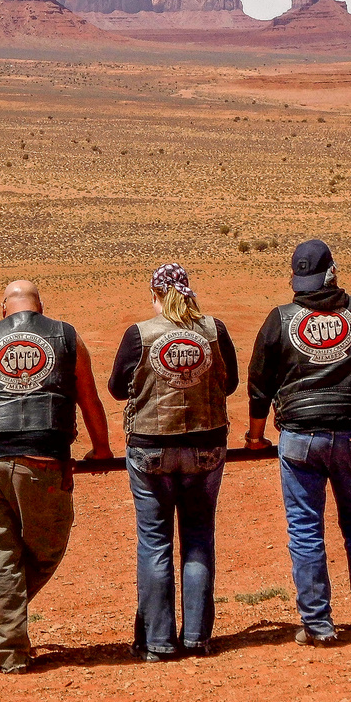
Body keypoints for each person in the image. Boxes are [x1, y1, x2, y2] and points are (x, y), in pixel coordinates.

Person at [0, 279, 113, 672]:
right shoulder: (65, 335)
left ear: (3, 307)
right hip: (43, 461)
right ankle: (2, 646)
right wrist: (102, 447)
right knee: (45, 550)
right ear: (40, 307)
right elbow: (87, 395)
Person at [247, 239, 351, 645]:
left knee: (305, 530)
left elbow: (260, 385)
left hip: (299, 439)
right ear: (333, 271)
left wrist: (256, 436)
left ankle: (318, 624)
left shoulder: (280, 319)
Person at [109, 264, 239, 661]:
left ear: (155, 294)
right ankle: (197, 638)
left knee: (154, 543)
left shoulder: (140, 334)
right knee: (198, 540)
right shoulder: (214, 330)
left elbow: (117, 389)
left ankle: (158, 643)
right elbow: (230, 382)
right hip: (207, 446)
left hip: (151, 448)